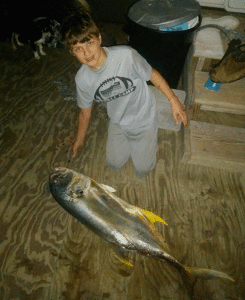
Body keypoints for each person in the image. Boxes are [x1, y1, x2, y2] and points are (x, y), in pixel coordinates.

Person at [62, 10, 188, 178]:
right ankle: (133, 142)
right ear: (72, 52)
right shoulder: (82, 79)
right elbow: (85, 112)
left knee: (143, 170)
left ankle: (150, 136)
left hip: (144, 118)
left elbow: (151, 73)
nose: (86, 52)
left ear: (99, 38)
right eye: (78, 48)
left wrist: (174, 100)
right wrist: (79, 139)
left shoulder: (126, 56)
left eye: (89, 42)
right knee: (114, 164)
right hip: (118, 121)